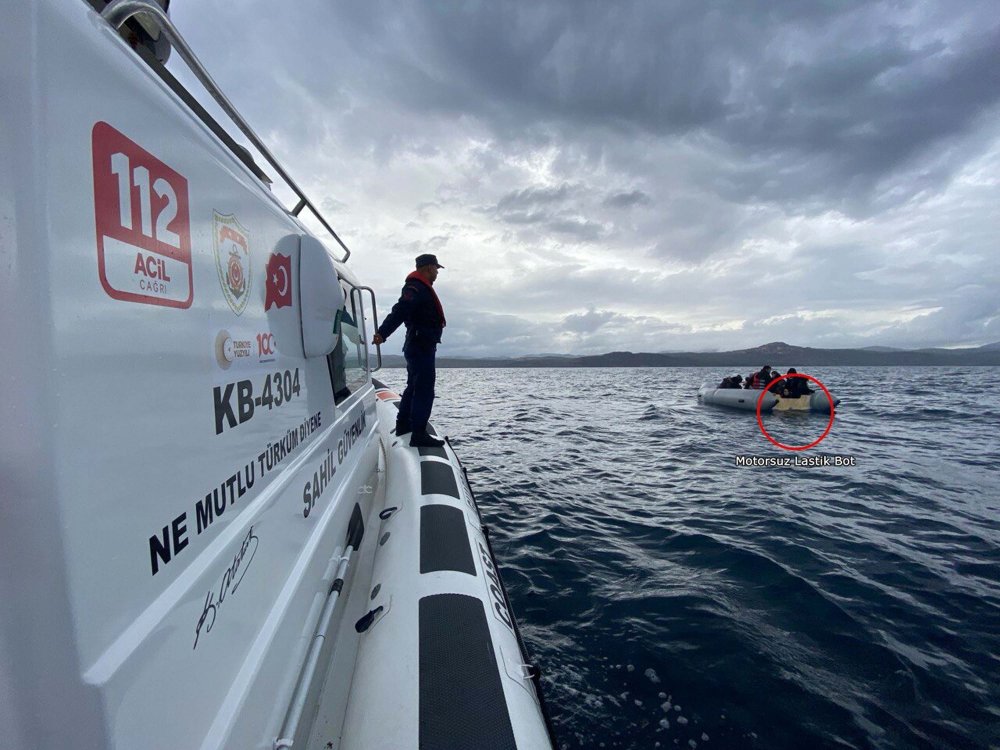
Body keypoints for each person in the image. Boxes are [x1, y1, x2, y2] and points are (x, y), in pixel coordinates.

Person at [372, 254, 447, 448]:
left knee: (413, 386)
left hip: (419, 345)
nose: (437, 272)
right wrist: (382, 333)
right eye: (436, 268)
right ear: (428, 268)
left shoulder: (420, 287)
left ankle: (403, 425)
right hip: (420, 346)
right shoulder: (415, 288)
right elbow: (400, 310)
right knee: (423, 389)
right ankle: (418, 434)